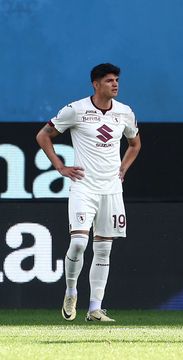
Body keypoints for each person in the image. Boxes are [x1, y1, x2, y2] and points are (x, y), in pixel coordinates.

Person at [36, 63, 141, 322]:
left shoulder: (125, 113)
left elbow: (135, 143)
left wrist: (123, 168)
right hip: (84, 186)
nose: (115, 84)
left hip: (111, 190)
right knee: (79, 242)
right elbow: (43, 135)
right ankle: (71, 290)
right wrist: (60, 166)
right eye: (109, 80)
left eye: (116, 80)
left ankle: (95, 308)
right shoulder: (76, 110)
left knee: (104, 250)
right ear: (95, 84)